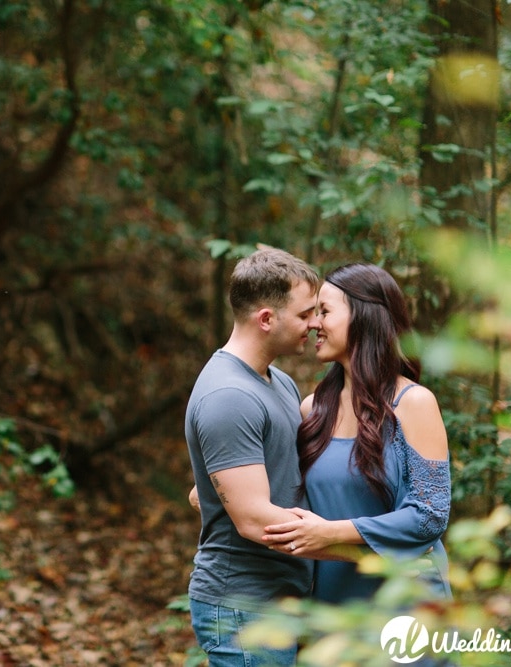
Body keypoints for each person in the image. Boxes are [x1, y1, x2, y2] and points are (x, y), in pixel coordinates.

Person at [260, 263, 452, 604]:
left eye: (325, 311)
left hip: (407, 605)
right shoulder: (312, 409)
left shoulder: (414, 403)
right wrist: (222, 487)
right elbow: (286, 498)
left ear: (364, 317)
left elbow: (430, 514)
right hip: (331, 606)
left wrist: (329, 533)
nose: (314, 323)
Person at [184, 247, 320, 666]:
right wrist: (366, 546)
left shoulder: (277, 382)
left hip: (279, 601)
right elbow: (254, 518)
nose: (315, 324)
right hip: (243, 607)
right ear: (266, 319)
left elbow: (201, 491)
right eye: (305, 314)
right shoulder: (230, 395)